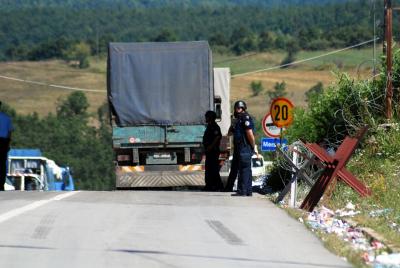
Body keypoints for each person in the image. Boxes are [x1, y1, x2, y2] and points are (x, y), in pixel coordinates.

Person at [225, 100, 256, 196]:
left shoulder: (245, 118)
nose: (237, 109)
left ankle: (242, 191)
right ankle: (248, 191)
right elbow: (229, 133)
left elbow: (250, 134)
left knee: (244, 169)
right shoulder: (238, 120)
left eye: (239, 108)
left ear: (243, 109)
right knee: (245, 169)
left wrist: (253, 146)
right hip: (239, 148)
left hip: (245, 147)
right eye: (236, 108)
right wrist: (232, 123)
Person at [202, 110, 224, 191]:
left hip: (213, 151)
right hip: (210, 151)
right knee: (209, 169)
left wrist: (210, 147)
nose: (206, 118)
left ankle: (218, 185)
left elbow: (217, 137)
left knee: (213, 169)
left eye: (207, 117)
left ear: (210, 118)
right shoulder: (209, 126)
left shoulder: (214, 126)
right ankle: (209, 185)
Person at [0, 102, 13, 191]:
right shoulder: (6, 118)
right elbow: (9, 133)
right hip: (3, 143)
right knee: (2, 164)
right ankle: (1, 183)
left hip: (3, 142)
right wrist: (8, 144)